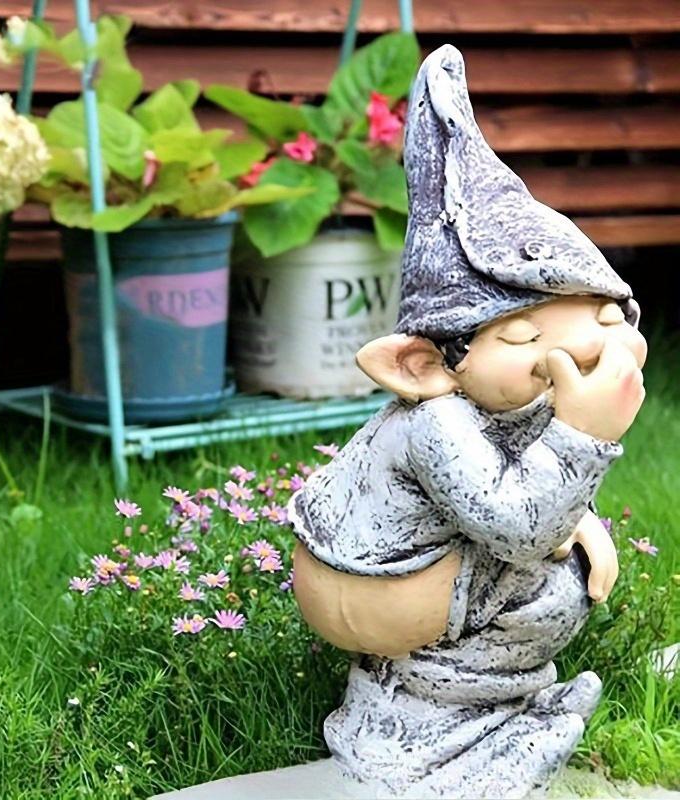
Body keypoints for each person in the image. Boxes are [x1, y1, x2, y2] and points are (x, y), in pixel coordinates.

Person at [288, 44, 647, 799]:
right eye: (522, 339)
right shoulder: (436, 422)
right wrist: (583, 437)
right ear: (422, 364)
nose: (565, 360)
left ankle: (486, 714)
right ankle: (458, 734)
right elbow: (516, 528)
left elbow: (519, 496)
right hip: (379, 591)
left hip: (424, 575)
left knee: (564, 563)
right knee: (552, 591)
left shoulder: (497, 402)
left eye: (605, 319)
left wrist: (576, 516)